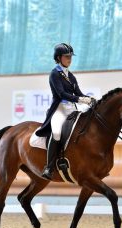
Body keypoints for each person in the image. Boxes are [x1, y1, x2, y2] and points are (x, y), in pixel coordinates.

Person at [36, 43, 94, 180]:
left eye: (70, 57)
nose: (70, 59)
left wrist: (88, 98)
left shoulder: (71, 76)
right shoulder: (54, 74)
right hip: (59, 109)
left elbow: (78, 92)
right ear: (58, 58)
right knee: (56, 133)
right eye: (67, 57)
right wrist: (80, 99)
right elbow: (61, 94)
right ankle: (49, 167)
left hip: (72, 109)